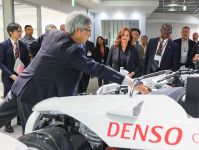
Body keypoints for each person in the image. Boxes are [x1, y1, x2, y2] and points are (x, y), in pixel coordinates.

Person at [0, 12, 149, 132]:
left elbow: (32, 46)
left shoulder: (53, 33)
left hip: (21, 83)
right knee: (33, 136)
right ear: (78, 30)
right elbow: (97, 68)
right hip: (33, 94)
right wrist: (130, 82)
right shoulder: (73, 50)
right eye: (89, 30)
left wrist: (39, 67)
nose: (90, 34)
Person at [0, 23, 30, 133]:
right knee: (8, 100)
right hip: (9, 78)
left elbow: (27, 61)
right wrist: (11, 75)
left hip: (21, 77)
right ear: (10, 32)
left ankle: (19, 119)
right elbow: (1, 63)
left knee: (20, 97)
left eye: (20, 31)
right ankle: (7, 123)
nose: (20, 33)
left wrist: (24, 73)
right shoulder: (3, 45)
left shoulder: (23, 45)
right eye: (18, 31)